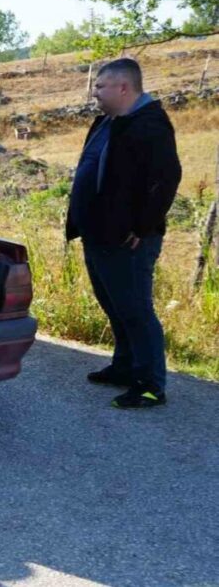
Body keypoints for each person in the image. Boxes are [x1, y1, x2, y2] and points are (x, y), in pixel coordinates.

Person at [66, 58, 181, 408]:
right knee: (114, 305)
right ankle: (124, 366)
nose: (95, 93)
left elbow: (167, 179)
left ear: (123, 88)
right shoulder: (108, 123)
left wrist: (142, 226)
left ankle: (150, 385)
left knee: (135, 310)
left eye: (100, 87)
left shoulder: (149, 125)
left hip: (127, 239)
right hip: (98, 232)